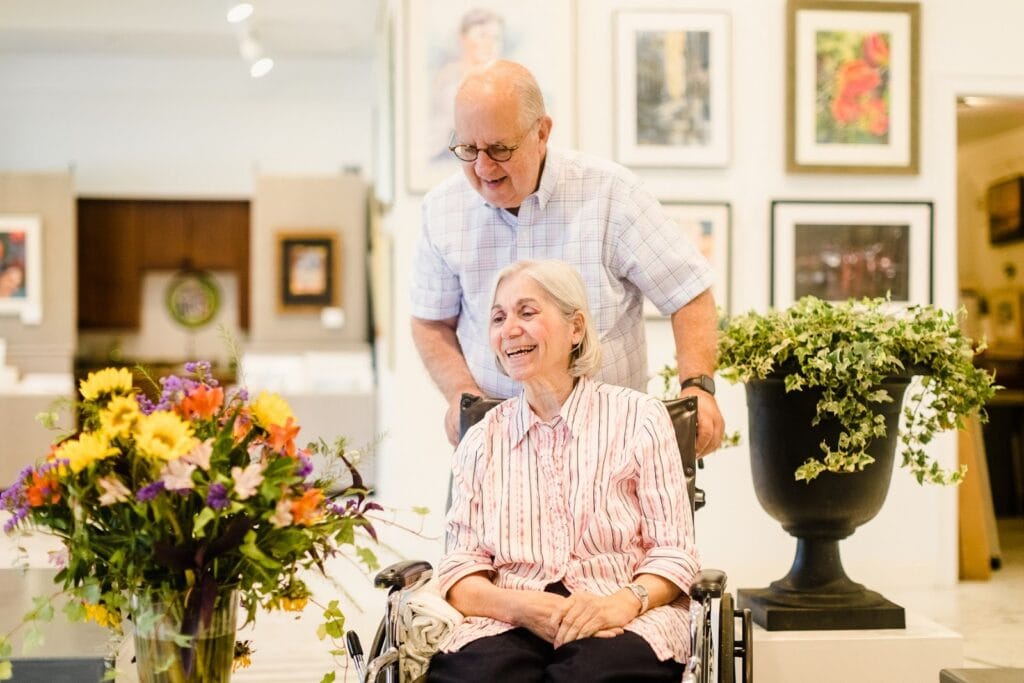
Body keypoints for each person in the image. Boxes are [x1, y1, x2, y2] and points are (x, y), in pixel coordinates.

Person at [410, 60, 725, 456]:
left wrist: (698, 385)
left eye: (499, 149)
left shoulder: (612, 194)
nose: (483, 167)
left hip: (611, 446)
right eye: (468, 149)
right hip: (498, 446)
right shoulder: (443, 210)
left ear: (542, 132)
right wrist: (461, 394)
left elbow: (688, 292)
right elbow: (430, 321)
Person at [427, 259, 698, 683]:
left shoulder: (639, 418)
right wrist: (521, 606)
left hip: (622, 613)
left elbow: (675, 552)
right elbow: (460, 570)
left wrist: (623, 602)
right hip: (508, 619)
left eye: (527, 312)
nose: (510, 329)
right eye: (498, 318)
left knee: (595, 676)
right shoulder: (482, 440)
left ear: (576, 329)